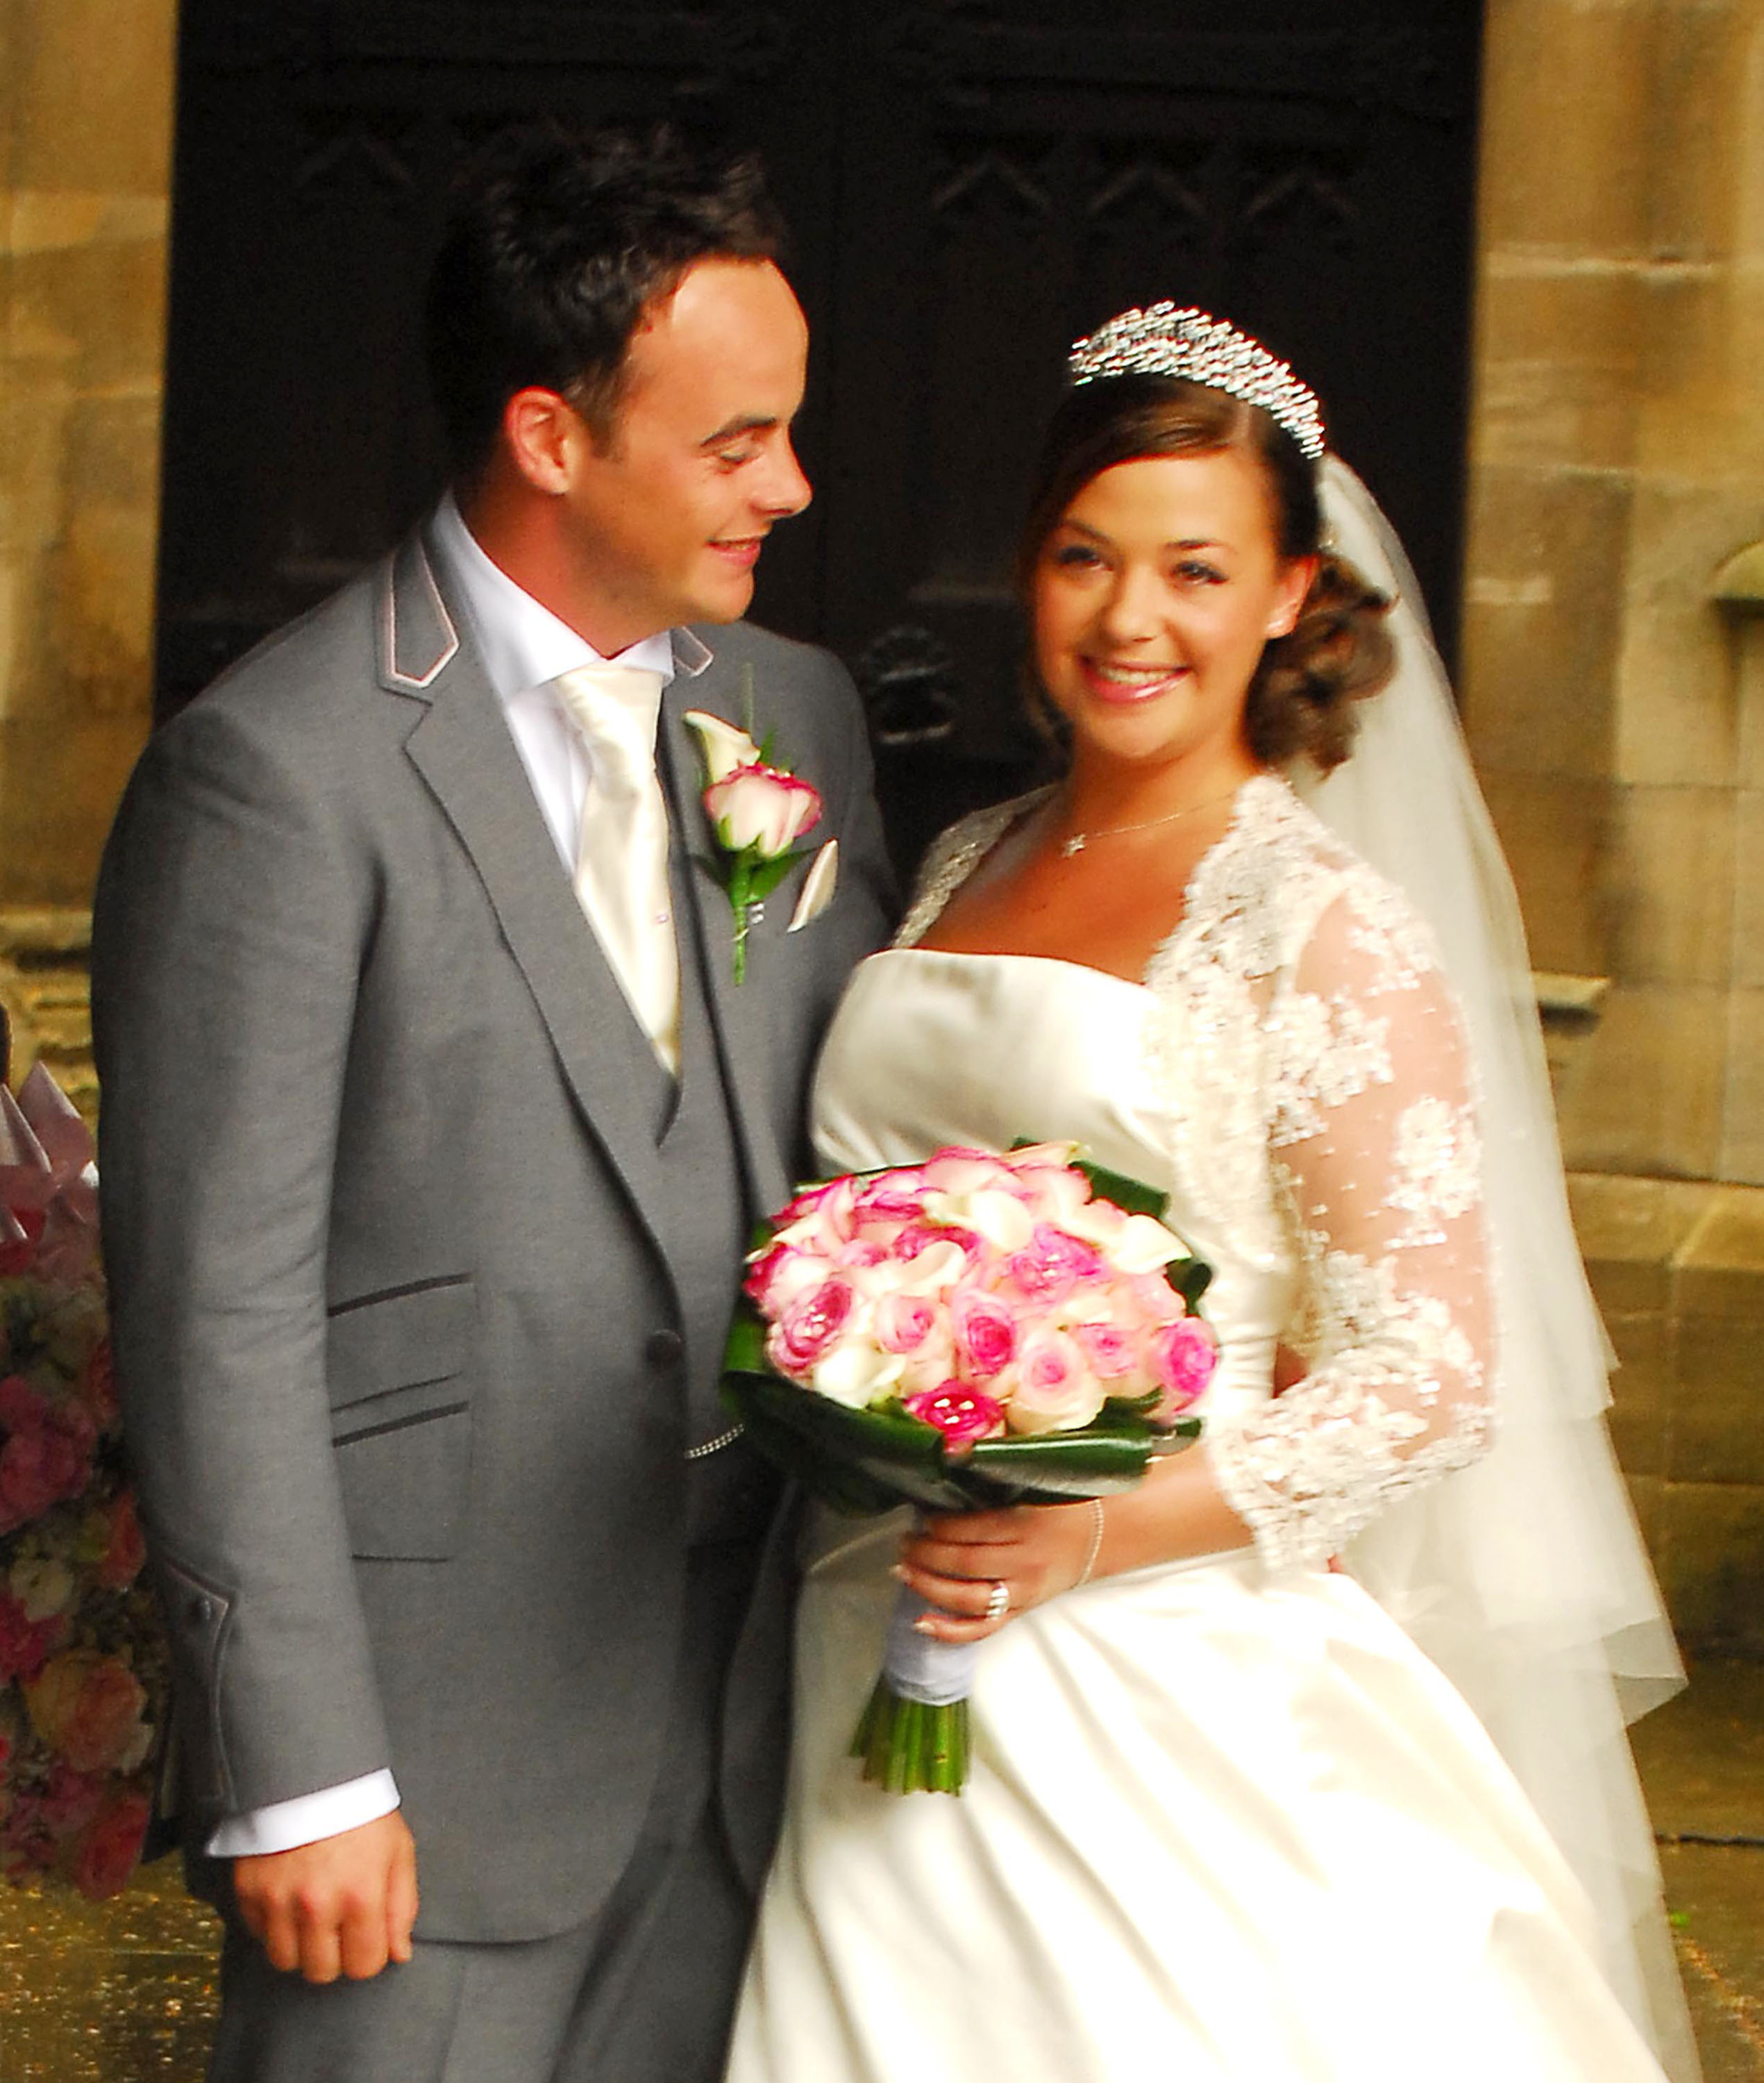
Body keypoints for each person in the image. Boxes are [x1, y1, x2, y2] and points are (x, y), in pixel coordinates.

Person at [724, 306, 1696, 2082]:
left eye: (1191, 568)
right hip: (871, 1610)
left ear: (1283, 597)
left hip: (1147, 1671)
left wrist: (1083, 1529)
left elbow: (1426, 1377)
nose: (1128, 618)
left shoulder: (1319, 923)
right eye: (1083, 558)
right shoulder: (964, 859)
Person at [90, 124, 891, 2083]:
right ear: (549, 435)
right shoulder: (273, 776)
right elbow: (219, 1306)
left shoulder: (791, 715)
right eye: (735, 442)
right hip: (420, 1780)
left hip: (746, 1744)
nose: (789, 484)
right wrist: (297, 1774)